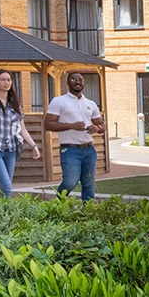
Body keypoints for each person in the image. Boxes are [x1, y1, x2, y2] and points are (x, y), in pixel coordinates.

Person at [0, 69, 40, 199]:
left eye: (8, 80)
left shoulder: (15, 104)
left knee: (6, 187)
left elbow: (22, 129)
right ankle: (4, 209)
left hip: (11, 149)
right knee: (7, 186)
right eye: (2, 80)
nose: (6, 82)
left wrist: (34, 145)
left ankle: (2, 209)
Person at [45, 71, 104, 202]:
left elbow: (102, 125)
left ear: (83, 82)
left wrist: (97, 128)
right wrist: (72, 126)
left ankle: (88, 210)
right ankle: (58, 205)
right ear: (67, 82)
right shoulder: (59, 101)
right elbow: (48, 124)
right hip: (70, 149)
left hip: (89, 149)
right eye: (73, 80)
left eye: (80, 80)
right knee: (70, 182)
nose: (77, 82)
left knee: (89, 183)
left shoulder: (90, 103)